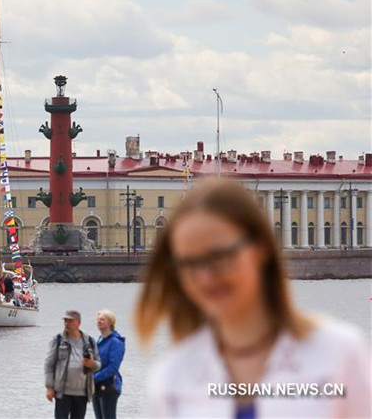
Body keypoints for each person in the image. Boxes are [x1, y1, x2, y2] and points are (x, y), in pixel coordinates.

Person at [135, 179, 371, 418]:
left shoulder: (338, 354)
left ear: (261, 248)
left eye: (219, 256)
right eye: (188, 263)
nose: (205, 277)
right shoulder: (170, 381)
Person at [45, 310, 102, 419]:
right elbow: (49, 364)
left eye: (70, 321)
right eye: (65, 320)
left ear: (78, 323)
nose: (67, 323)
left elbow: (99, 364)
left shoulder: (89, 340)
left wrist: (92, 364)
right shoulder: (58, 340)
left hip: (82, 394)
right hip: (62, 392)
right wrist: (49, 387)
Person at [92, 309, 125, 419]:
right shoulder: (100, 340)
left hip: (109, 385)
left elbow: (113, 367)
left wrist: (94, 378)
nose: (99, 321)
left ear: (110, 322)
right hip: (95, 386)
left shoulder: (115, 341)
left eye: (102, 319)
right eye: (98, 319)